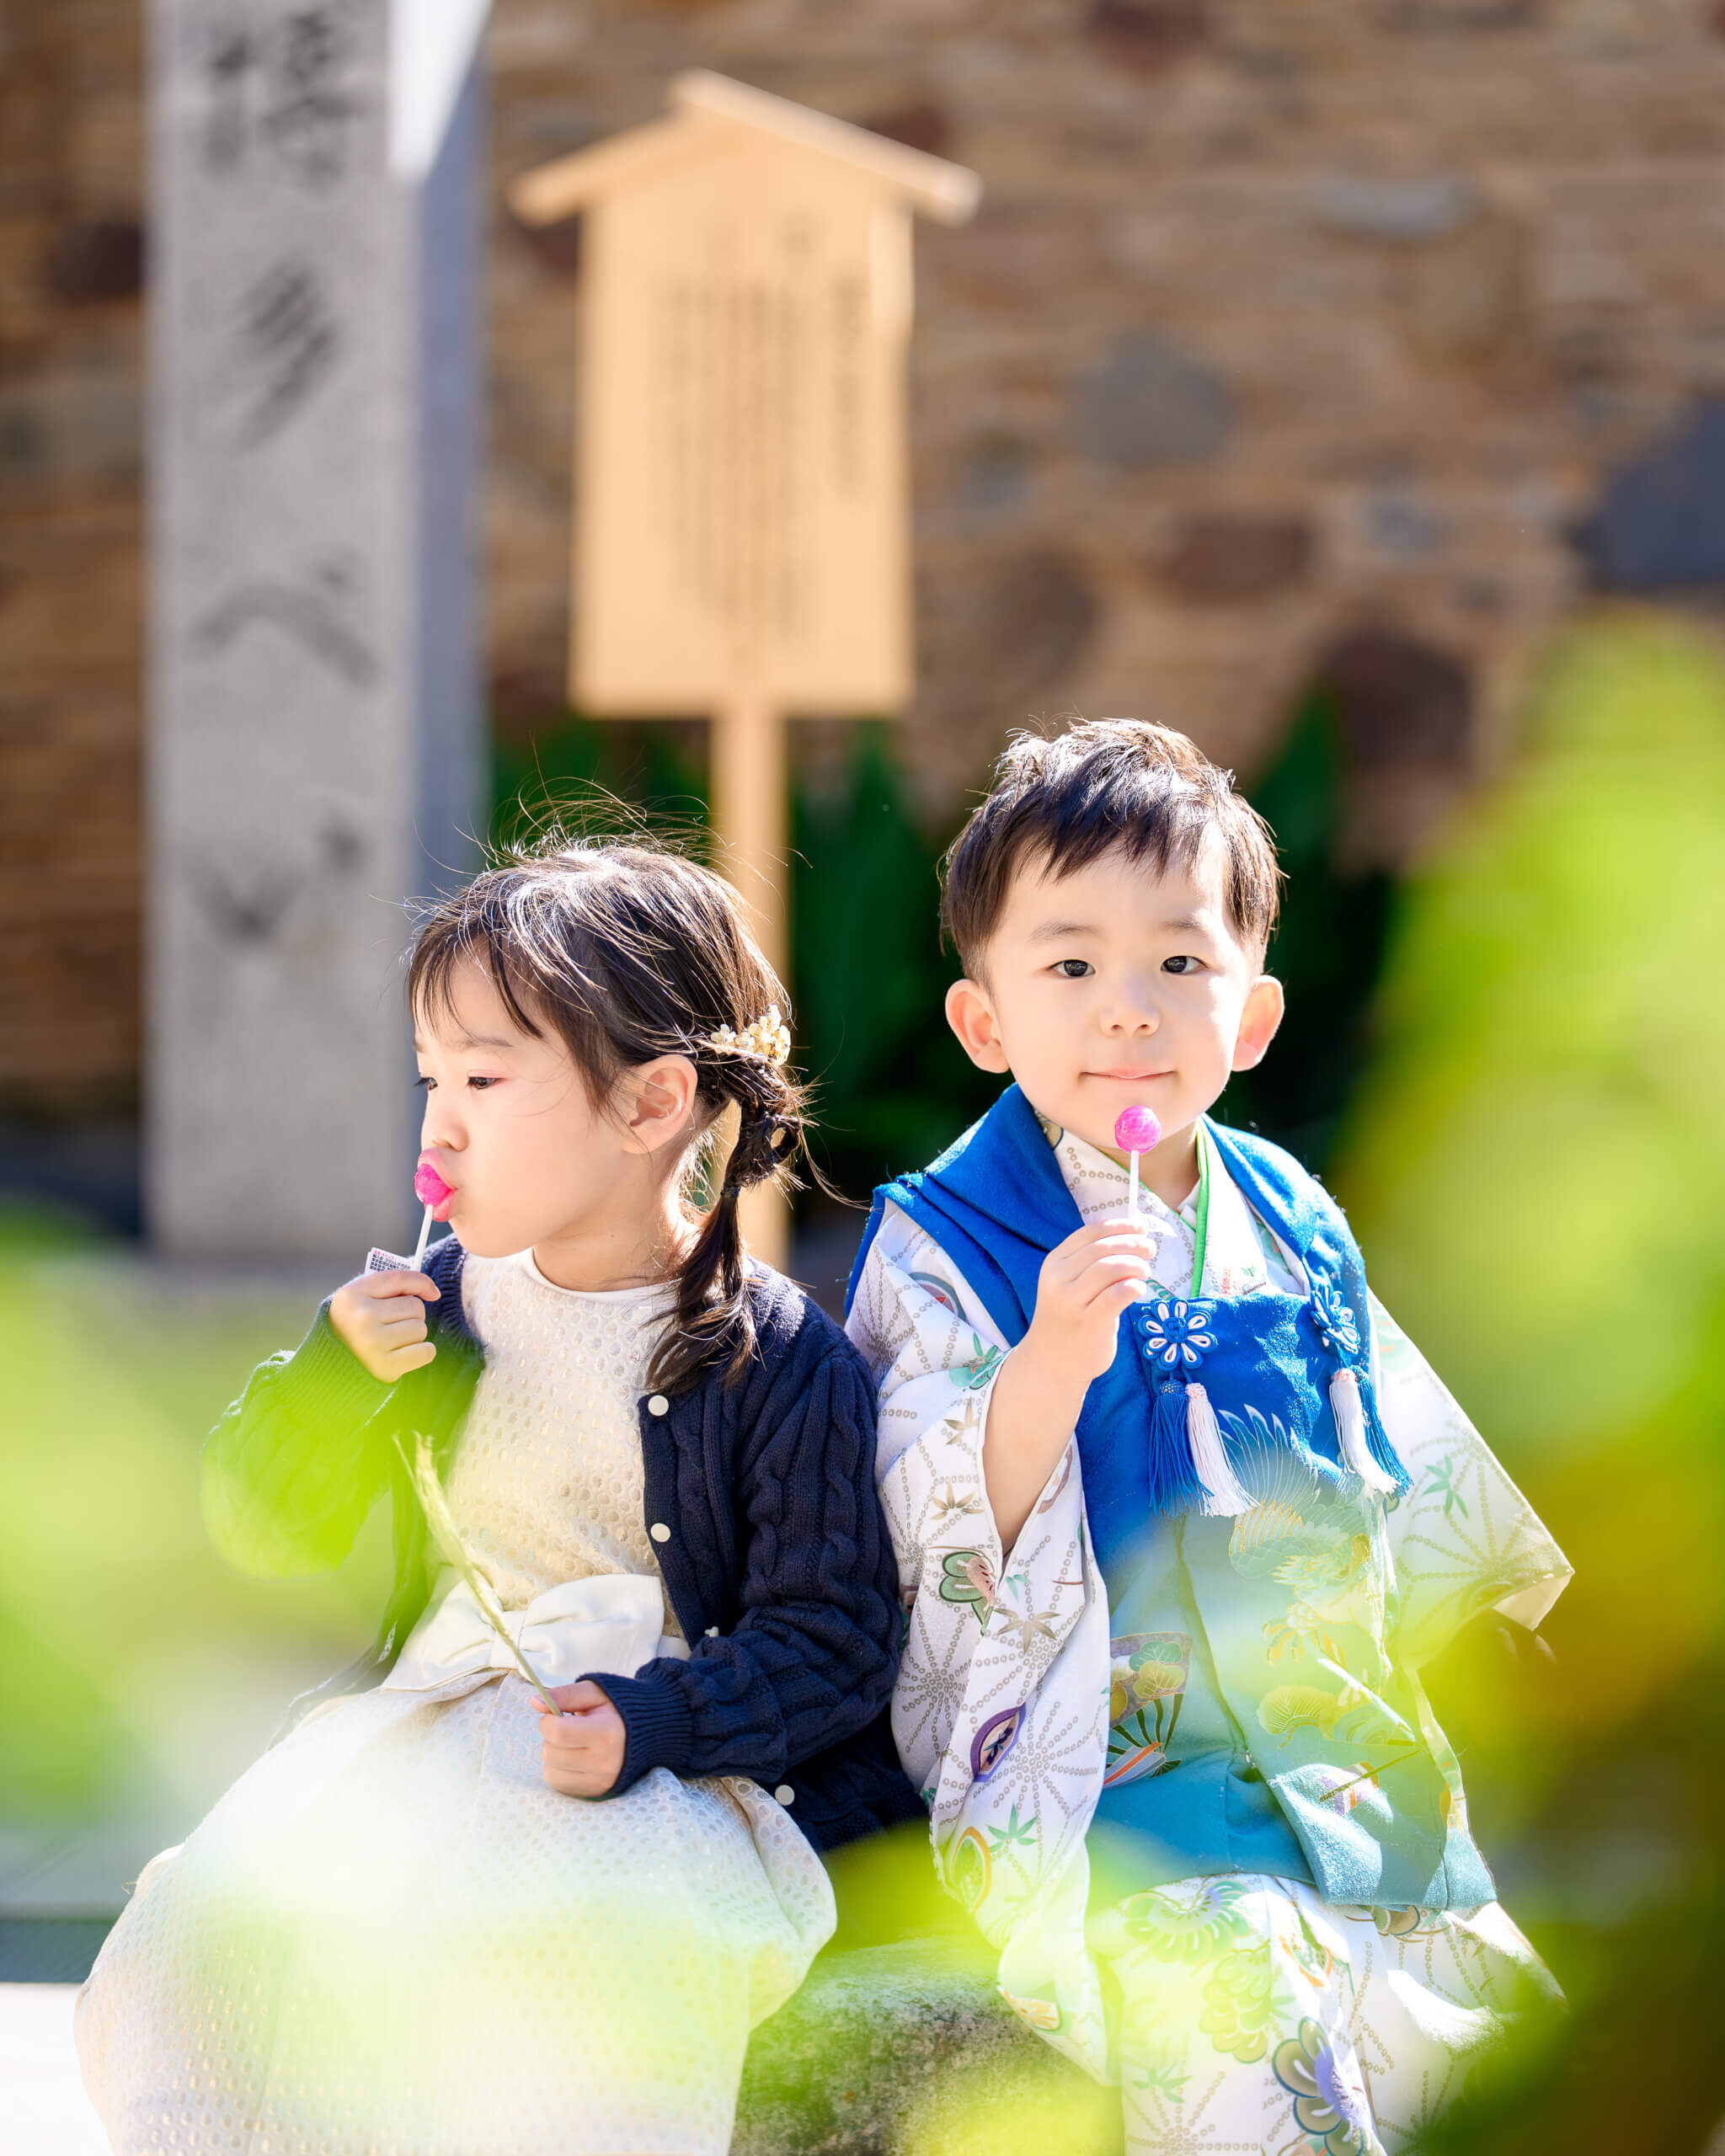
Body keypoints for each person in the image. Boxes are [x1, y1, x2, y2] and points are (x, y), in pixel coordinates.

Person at [77, 838, 920, 2156]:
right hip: (426, 1730)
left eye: (484, 1078)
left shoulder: (769, 1352)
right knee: (204, 1938)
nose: (439, 1125)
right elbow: (262, 1529)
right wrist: (325, 1391)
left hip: (652, 1771)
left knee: (566, 1958)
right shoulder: (430, 1311)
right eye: (431, 1080)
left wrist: (654, 1720)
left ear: (651, 1107)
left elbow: (835, 1637)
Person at [845, 719, 1569, 2156]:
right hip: (1116, 1779)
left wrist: (1485, 1611)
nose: (1131, 1010)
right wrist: (1049, 1355)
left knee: (1511, 2027)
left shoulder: (1288, 1210)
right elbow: (927, 1510)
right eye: (1070, 965)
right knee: (1246, 2013)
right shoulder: (944, 1239)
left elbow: (1384, 1426)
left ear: (1253, 1019)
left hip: (1334, 1748)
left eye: (1181, 964)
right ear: (984, 1020)